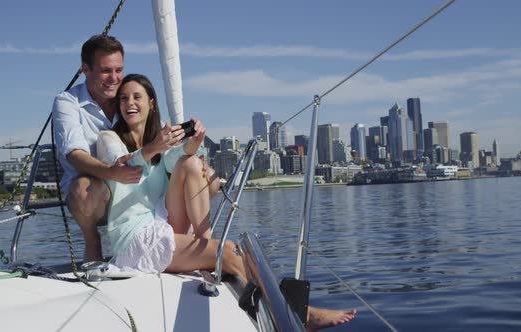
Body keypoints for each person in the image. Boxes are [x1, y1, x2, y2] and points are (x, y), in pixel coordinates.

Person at [97, 73, 356, 331]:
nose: (129, 102)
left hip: (162, 223)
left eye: (136, 97)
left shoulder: (158, 139)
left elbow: (175, 158)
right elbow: (121, 165)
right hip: (135, 238)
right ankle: (299, 313)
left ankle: (208, 245)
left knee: (189, 163)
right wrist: (153, 147)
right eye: (123, 98)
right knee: (230, 252)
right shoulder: (109, 138)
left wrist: (194, 142)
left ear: (151, 103)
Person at [52, 34, 142, 262]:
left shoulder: (130, 97)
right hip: (95, 196)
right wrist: (112, 172)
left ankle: (184, 246)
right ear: (85, 69)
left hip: (135, 189)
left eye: (119, 70)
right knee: (84, 190)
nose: (114, 78)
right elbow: (75, 155)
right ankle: (93, 242)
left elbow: (156, 135)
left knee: (199, 175)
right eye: (105, 71)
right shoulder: (67, 102)